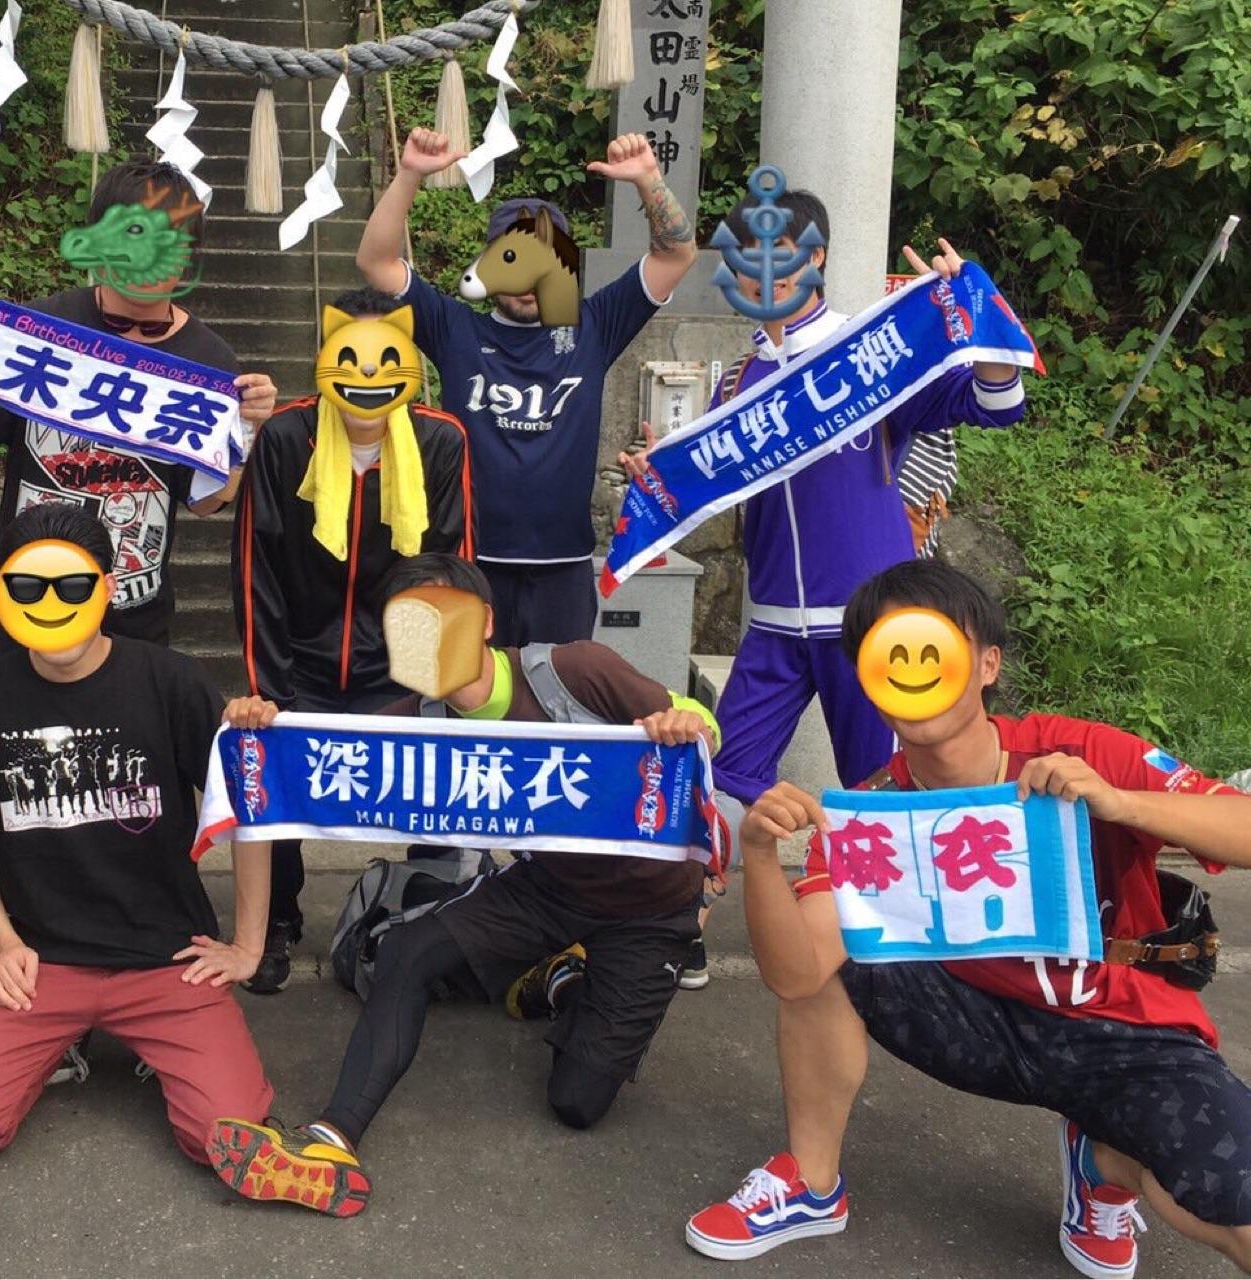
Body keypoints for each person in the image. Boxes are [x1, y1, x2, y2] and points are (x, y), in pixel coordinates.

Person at [684, 561, 1251, 1278]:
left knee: (1227, 1202)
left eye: (934, 646)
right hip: (973, 1020)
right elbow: (798, 977)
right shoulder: (869, 816)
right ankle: (810, 1180)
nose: (913, 667)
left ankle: (1104, 1163)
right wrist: (762, 858)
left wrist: (1124, 804)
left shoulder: (1081, 754)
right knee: (835, 952)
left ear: (986, 663)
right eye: (889, 652)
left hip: (1125, 1030)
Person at [207, 553, 720, 1216]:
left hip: (652, 912)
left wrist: (686, 727)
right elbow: (305, 755)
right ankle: (331, 1138)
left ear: (484, 623)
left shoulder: (574, 671)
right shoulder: (418, 718)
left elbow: (703, 728)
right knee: (405, 952)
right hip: (548, 888)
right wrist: (259, 727)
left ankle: (563, 980)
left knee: (577, 1102)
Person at [622, 231, 1028, 989]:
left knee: (892, 779)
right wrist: (660, 473)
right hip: (772, 621)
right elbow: (712, 481)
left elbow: (995, 401)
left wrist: (970, 309)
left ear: (815, 262)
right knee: (720, 779)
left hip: (869, 627)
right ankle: (682, 932)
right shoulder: (741, 376)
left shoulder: (868, 355)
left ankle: (935, 951)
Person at [0, 504, 274, 1172]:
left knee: (228, 1145)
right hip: (43, 964)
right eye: (27, 588)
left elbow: (250, 807)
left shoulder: (170, 680)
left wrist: (248, 946)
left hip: (169, 959)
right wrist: (4, 943)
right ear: (1, 595)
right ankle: (64, 1040)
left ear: (107, 589)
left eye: (74, 586)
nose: (51, 605)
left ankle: (142, 1046)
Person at [0, 158, 277, 665]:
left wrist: (247, 429)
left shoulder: (207, 359)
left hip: (134, 621)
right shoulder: (41, 328)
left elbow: (204, 500)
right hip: (25, 606)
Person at [354, 128, 699, 646]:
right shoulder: (456, 329)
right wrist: (410, 175)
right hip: (469, 562)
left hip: (564, 568)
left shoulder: (594, 327)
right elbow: (376, 263)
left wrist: (649, 179)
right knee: (469, 709)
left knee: (557, 711)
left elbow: (676, 256)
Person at [231, 287, 475, 994]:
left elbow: (455, 565)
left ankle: (433, 915)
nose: (368, 377)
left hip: (399, 666)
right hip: (302, 658)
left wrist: (442, 677)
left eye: (386, 359)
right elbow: (256, 568)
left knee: (440, 782)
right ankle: (276, 920)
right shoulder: (285, 436)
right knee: (274, 779)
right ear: (326, 358)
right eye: (351, 358)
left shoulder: (440, 439)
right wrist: (264, 685)